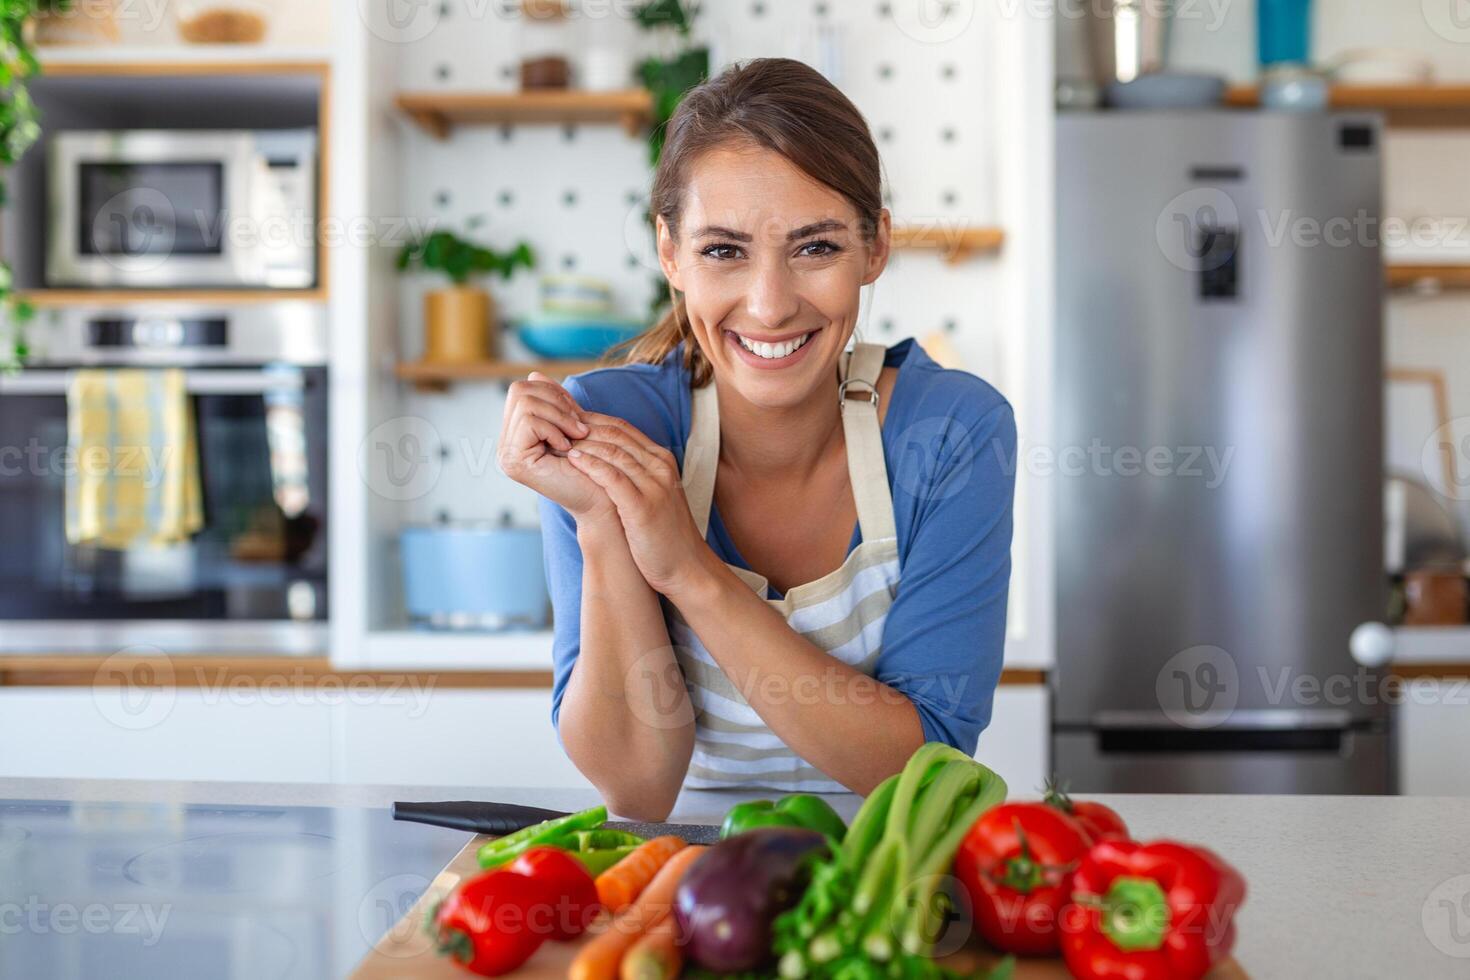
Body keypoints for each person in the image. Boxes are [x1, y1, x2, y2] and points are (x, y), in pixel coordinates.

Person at [498, 58, 1016, 820]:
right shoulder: (611, 430)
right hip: (679, 881)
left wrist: (688, 569)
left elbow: (922, 767)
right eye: (723, 250)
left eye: (815, 247)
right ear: (670, 252)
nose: (770, 306)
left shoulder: (951, 432)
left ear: (875, 248)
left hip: (889, 876)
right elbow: (639, 787)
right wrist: (605, 524)